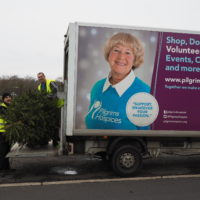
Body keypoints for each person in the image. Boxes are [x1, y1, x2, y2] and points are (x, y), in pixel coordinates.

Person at [85, 32, 150, 130]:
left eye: (128, 52)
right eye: (116, 50)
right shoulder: (97, 87)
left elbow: (146, 135)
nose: (121, 57)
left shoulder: (145, 93)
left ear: (135, 59)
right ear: (108, 54)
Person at [0, 93, 12, 170]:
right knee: (3, 151)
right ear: (3, 99)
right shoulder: (2, 107)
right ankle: (2, 168)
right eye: (6, 97)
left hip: (6, 131)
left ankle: (6, 168)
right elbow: (8, 117)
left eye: (10, 97)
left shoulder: (8, 107)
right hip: (2, 132)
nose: (8, 98)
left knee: (7, 150)